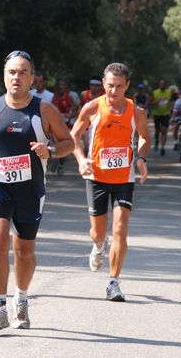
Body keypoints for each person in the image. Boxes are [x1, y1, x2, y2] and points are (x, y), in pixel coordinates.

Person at [0, 50, 74, 330]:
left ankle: (22, 300)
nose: (17, 77)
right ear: (4, 76)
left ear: (33, 79)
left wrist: (50, 150)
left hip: (30, 190)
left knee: (24, 251)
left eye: (23, 72)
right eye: (12, 72)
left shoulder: (44, 110)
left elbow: (69, 143)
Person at [71, 62, 151, 302]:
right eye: (109, 86)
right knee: (98, 232)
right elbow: (74, 135)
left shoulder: (137, 112)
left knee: (120, 229)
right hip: (96, 177)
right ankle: (98, 246)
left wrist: (141, 158)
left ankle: (113, 282)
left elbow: (145, 138)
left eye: (119, 86)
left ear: (127, 86)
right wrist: (80, 158)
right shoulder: (92, 108)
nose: (113, 91)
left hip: (123, 178)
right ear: (103, 85)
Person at [51, 77, 78, 175]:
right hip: (55, 123)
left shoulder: (69, 97)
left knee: (63, 145)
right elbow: (53, 109)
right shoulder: (54, 96)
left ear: (66, 87)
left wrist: (69, 115)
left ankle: (61, 165)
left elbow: (75, 112)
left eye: (63, 85)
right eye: (59, 85)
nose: (61, 87)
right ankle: (55, 158)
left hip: (66, 124)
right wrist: (58, 115)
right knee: (55, 144)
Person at [80, 75, 106, 154]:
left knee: (96, 147)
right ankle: (85, 162)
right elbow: (81, 107)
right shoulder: (84, 94)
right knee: (88, 148)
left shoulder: (104, 96)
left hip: (98, 125)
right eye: (92, 85)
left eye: (96, 85)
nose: (94, 87)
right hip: (86, 125)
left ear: (101, 86)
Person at [150, 79, 172, 156]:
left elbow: (172, 101)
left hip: (166, 114)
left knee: (163, 130)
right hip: (157, 114)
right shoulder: (155, 93)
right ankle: (156, 141)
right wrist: (155, 103)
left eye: (163, 84)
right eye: (160, 84)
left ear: (165, 85)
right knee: (157, 131)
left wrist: (172, 107)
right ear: (159, 85)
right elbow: (150, 102)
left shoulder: (169, 92)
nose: (162, 85)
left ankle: (162, 147)